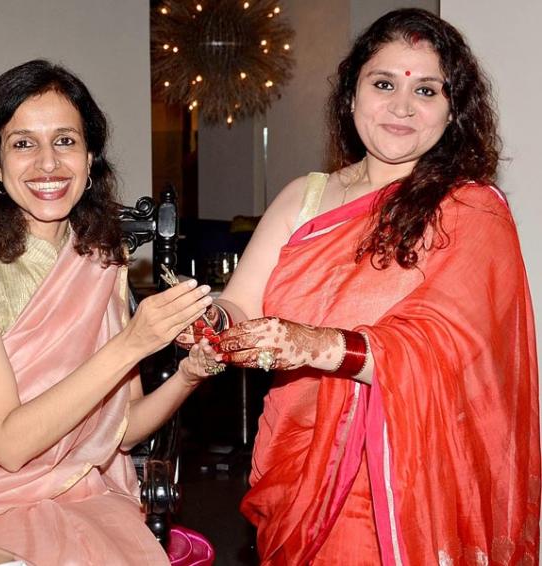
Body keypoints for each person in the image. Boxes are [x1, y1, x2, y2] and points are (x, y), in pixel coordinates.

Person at [182, 8, 540, 565]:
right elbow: (241, 302)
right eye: (384, 84)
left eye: (426, 90)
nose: (402, 106)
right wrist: (209, 321)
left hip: (407, 477)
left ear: (453, 112)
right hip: (298, 460)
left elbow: (454, 354)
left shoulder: (471, 212)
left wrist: (318, 345)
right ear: (351, 95)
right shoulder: (304, 197)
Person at [0, 59, 220, 565]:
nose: (48, 163)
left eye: (65, 141)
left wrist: (189, 375)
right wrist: (132, 344)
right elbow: (9, 447)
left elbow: (122, 429)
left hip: (80, 492)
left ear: (90, 157)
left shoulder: (101, 260)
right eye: (23, 144)